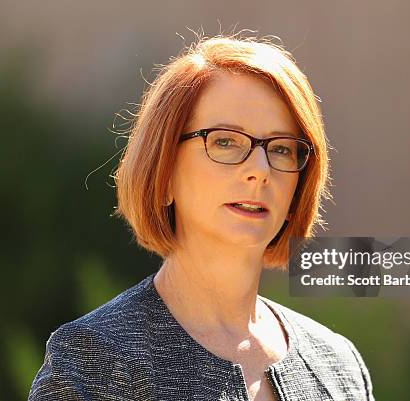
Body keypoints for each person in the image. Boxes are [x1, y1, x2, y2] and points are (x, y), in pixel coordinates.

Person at [28, 33, 375, 401]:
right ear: (163, 172)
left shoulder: (338, 367)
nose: (260, 170)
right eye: (225, 141)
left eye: (282, 149)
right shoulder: (94, 362)